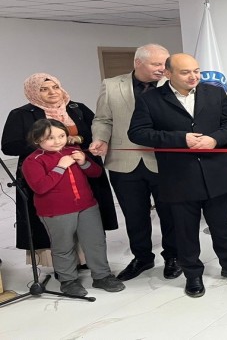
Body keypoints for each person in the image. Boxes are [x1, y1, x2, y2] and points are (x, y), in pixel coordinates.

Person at [128, 53, 227, 298]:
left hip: (217, 174)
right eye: (185, 72)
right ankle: (192, 274)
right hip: (179, 177)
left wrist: (214, 140)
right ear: (168, 73)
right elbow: (137, 133)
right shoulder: (150, 99)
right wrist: (179, 139)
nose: (193, 76)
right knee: (185, 231)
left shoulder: (215, 93)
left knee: (222, 228)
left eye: (196, 71)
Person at [2, 73, 118, 269]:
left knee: (87, 217)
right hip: (45, 172)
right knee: (58, 223)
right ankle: (63, 267)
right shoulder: (21, 114)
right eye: (43, 89)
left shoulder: (77, 108)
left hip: (82, 169)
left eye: (55, 87)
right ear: (33, 92)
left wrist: (78, 140)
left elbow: (98, 131)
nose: (52, 92)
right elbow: (9, 146)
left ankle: (87, 260)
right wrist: (46, 144)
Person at [89, 44, 180, 282]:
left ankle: (173, 256)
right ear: (138, 63)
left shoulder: (173, 84)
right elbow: (103, 119)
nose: (162, 69)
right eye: (156, 64)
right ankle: (142, 258)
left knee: (170, 213)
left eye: (165, 64)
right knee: (134, 214)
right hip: (124, 161)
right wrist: (100, 139)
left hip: (165, 161)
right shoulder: (111, 85)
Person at [21, 119, 125, 296]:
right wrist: (60, 167)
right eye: (50, 138)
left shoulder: (73, 151)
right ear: (37, 140)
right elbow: (40, 187)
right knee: (63, 246)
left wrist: (84, 162)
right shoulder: (33, 161)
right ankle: (68, 280)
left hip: (87, 206)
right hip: (56, 212)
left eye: (61, 136)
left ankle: (102, 276)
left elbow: (96, 173)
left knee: (95, 242)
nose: (58, 141)